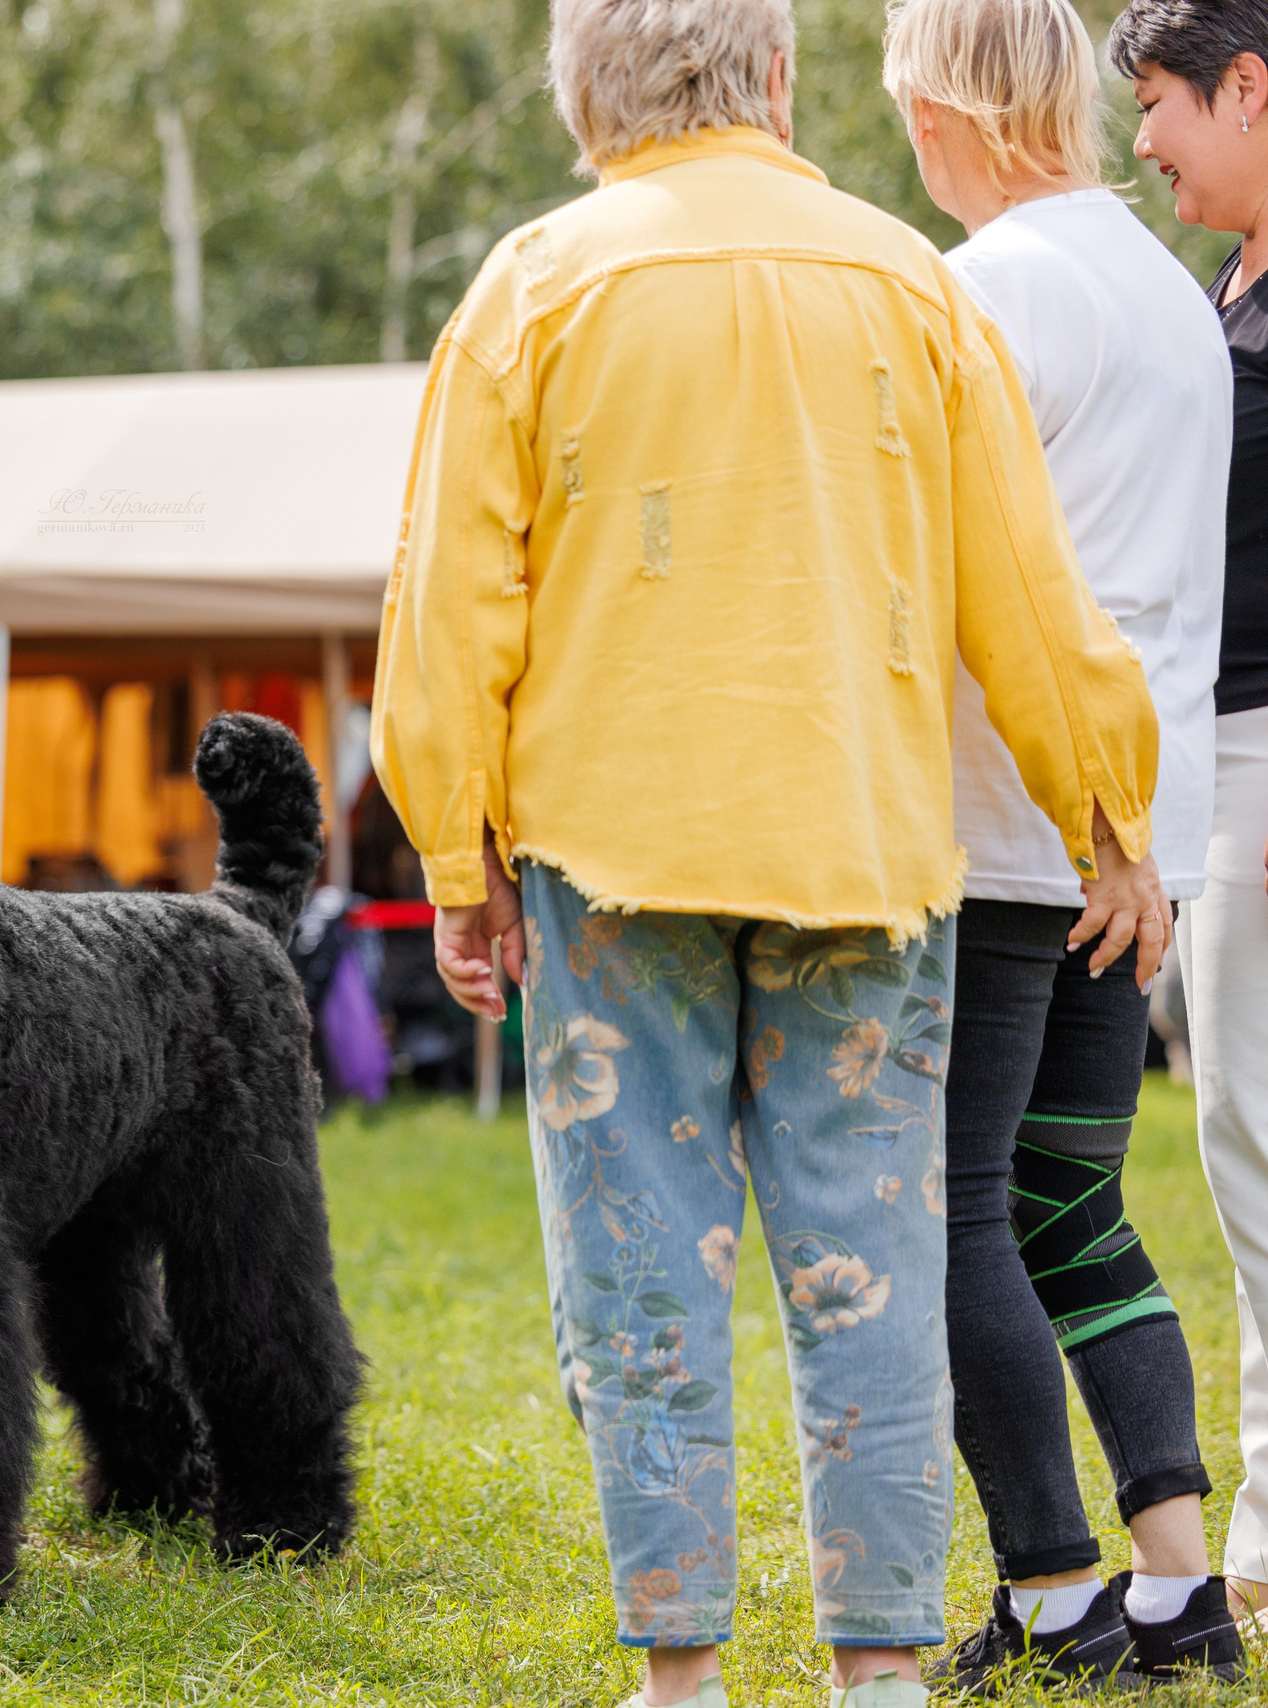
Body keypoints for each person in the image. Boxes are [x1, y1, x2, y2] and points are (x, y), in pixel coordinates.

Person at [370, 0, 1164, 1702]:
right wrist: (1107, 817)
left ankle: (682, 1678)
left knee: (637, 1264)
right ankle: (878, 1672)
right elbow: (1027, 593)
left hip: (610, 852)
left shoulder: (532, 283)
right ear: (782, 76)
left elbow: (446, 608)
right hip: (862, 850)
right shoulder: (910, 281)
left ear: (586, 87)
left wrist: (458, 856)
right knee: (871, 1267)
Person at [882, 0, 1234, 1685]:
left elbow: (927, 558)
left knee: (947, 1210)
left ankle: (1050, 1591)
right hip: (1138, 828)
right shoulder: (1169, 289)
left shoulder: (992, 288)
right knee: (1072, 1202)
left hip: (1001, 825)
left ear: (950, 106)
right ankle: (1182, 1584)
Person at [1108, 0, 1268, 1644]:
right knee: (1242, 1150)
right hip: (1220, 752)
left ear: (1248, 88)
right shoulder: (1224, 292)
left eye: (1158, 103)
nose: (1143, 139)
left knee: (1261, 1141)